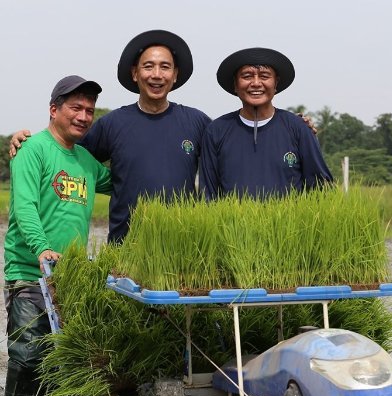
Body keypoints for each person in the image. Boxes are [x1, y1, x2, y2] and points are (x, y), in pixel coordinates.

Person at [9, 31, 317, 244]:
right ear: (135, 73)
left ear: (175, 75)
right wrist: (31, 140)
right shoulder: (112, 123)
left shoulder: (197, 122)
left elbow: (238, 141)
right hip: (125, 247)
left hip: (180, 248)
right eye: (149, 66)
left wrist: (295, 130)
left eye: (165, 67)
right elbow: (67, 152)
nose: (157, 74)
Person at [3, 75, 112, 396]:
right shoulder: (31, 149)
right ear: (54, 109)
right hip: (30, 275)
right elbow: (24, 207)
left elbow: (123, 181)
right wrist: (42, 247)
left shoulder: (86, 161)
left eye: (89, 110)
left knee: (58, 365)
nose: (83, 116)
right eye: (76, 108)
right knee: (27, 358)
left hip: (67, 278)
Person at [200, 47, 333, 199]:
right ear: (235, 85)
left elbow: (321, 188)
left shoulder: (298, 127)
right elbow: (208, 195)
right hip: (232, 222)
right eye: (247, 76)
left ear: (276, 83)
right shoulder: (216, 130)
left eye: (264, 76)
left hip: (287, 222)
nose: (256, 83)